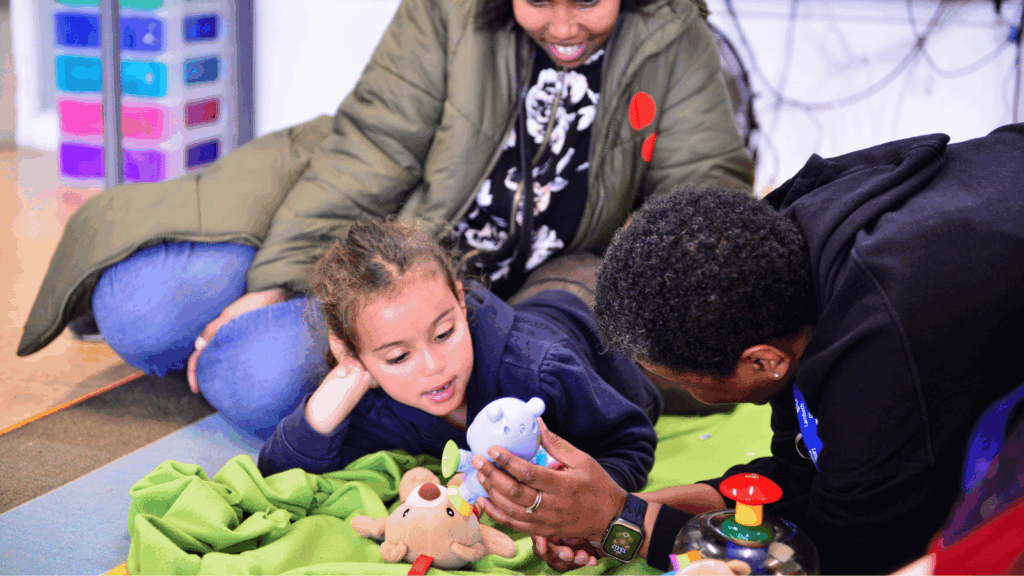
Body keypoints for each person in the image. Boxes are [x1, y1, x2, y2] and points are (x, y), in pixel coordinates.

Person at [17, 0, 753, 438]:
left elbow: (704, 193)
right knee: (134, 307)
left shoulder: (674, 35)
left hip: (477, 282)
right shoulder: (447, 11)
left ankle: (231, 348)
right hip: (375, 223)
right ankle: (240, 323)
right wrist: (275, 281)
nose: (563, 25)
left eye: (588, 0)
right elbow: (372, 149)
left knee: (256, 376)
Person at [468, 124, 1024, 574]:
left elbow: (845, 555)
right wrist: (629, 505)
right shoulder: (780, 261)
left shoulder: (883, 352)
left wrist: (621, 524)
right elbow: (805, 468)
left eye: (683, 382)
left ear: (762, 361)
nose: (682, 392)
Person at [256, 218, 662, 505]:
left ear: (460, 299)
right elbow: (280, 473)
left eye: (444, 333)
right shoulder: (375, 399)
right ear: (353, 351)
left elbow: (631, 441)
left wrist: (583, 506)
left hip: (586, 308)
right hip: (526, 307)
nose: (434, 366)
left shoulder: (541, 370)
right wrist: (343, 380)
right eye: (398, 356)